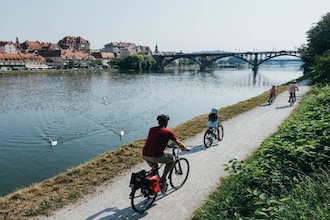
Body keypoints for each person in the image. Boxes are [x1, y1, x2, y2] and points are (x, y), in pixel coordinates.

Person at [142, 114, 190, 186]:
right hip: (156, 156)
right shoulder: (168, 132)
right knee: (172, 160)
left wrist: (166, 145)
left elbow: (155, 140)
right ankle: (163, 178)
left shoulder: (151, 129)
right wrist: (185, 148)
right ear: (166, 122)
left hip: (145, 155)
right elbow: (178, 143)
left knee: (155, 167)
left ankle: (152, 181)